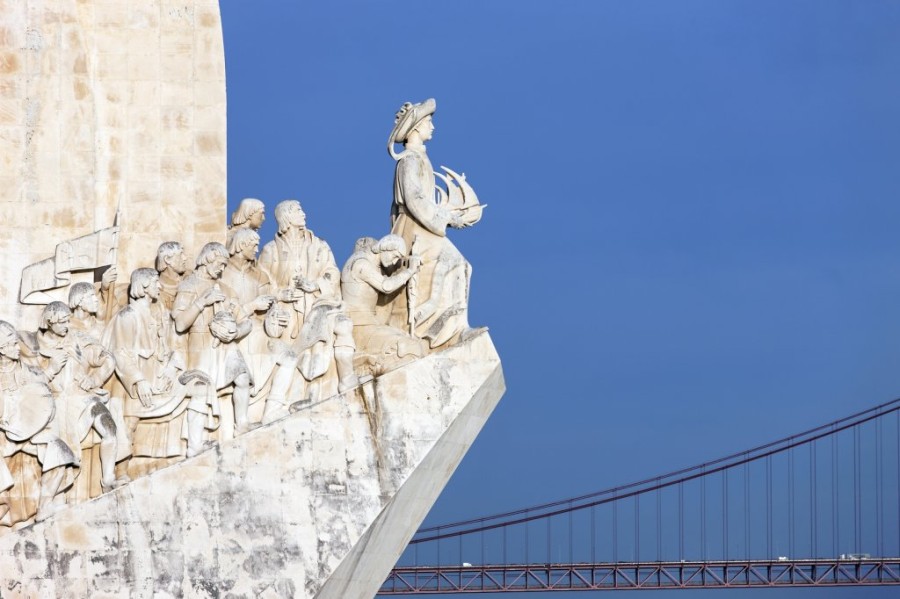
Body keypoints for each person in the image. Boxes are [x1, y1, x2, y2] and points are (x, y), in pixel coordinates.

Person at [387, 99, 483, 348]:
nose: (433, 127)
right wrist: (447, 218)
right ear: (417, 127)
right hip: (414, 229)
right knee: (456, 263)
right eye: (429, 122)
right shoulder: (409, 160)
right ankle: (439, 330)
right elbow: (414, 199)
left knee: (460, 265)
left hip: (423, 225)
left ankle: (451, 328)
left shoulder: (418, 158)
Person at [103, 269, 215, 462]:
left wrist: (172, 367)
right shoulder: (128, 316)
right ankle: (119, 470)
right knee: (128, 425)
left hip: (163, 379)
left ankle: (194, 447)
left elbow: (171, 346)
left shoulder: (160, 311)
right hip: (140, 386)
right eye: (156, 282)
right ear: (144, 286)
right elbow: (121, 353)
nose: (160, 286)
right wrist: (138, 381)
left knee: (201, 387)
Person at [19, 303, 127, 492]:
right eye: (61, 322)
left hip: (83, 398)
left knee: (110, 428)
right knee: (62, 452)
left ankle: (108, 480)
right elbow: (27, 382)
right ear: (49, 322)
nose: (66, 325)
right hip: (55, 405)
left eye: (68, 320)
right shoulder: (34, 347)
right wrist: (50, 369)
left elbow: (107, 358)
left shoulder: (77, 339)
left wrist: (94, 378)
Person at [172, 242, 256, 440]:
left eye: (225, 265)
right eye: (220, 263)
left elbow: (246, 321)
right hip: (201, 346)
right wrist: (203, 302)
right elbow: (181, 324)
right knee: (203, 390)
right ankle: (197, 441)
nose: (222, 268)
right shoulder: (188, 285)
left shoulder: (226, 290)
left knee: (243, 378)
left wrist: (235, 333)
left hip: (228, 346)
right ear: (208, 258)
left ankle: (242, 424)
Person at [0, 320, 77, 524]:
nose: (18, 348)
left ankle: (45, 506)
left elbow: (39, 392)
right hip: (3, 436)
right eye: (12, 344)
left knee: (60, 451)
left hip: (26, 432)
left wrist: (51, 369)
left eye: (17, 342)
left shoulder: (25, 369)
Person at [341, 234, 425, 375]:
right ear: (386, 247)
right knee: (409, 347)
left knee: (412, 343)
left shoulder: (372, 265)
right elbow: (386, 286)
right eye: (395, 256)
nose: (395, 261)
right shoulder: (361, 264)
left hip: (369, 324)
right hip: (360, 327)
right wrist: (410, 270)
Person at [258, 200, 341, 339]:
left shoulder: (320, 245)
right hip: (284, 312)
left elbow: (332, 272)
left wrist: (315, 285)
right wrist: (280, 294)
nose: (304, 214)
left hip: (315, 306)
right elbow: (261, 283)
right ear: (286, 217)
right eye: (298, 211)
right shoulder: (270, 250)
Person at [155, 241, 190, 311]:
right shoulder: (158, 289)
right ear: (167, 259)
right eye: (180, 254)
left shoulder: (190, 276)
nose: (185, 258)